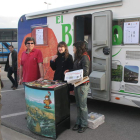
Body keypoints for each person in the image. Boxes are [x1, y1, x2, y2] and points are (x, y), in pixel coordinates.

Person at [65, 41, 90, 133]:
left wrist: (74, 74)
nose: (73, 49)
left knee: (83, 106)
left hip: (82, 85)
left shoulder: (84, 57)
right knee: (78, 105)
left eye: (74, 47)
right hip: (77, 83)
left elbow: (86, 72)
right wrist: (69, 71)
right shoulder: (78, 57)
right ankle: (78, 122)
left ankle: (84, 124)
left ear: (78, 48)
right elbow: (76, 70)